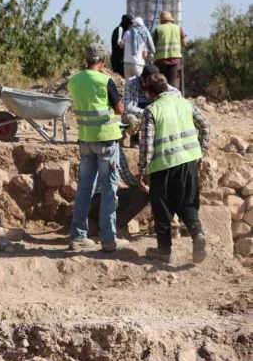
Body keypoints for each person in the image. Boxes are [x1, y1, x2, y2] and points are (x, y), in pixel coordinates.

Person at [137, 74, 211, 264]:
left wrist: (143, 170)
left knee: (162, 208)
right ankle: (197, 235)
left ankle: (164, 252)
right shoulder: (185, 104)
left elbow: (147, 145)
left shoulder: (151, 110)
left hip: (163, 167)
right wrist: (200, 152)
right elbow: (206, 126)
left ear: (150, 92)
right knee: (188, 204)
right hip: (188, 163)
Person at [67, 43, 128, 252]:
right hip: (106, 140)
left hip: (85, 139)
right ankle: (109, 239)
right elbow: (119, 109)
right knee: (110, 188)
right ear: (103, 61)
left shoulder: (74, 81)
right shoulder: (105, 80)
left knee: (84, 188)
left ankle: (77, 237)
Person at [121, 65, 181, 147]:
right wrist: (149, 113)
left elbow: (177, 93)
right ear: (141, 77)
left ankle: (158, 139)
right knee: (130, 118)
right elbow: (127, 107)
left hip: (154, 118)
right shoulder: (131, 83)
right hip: (140, 117)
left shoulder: (158, 82)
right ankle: (134, 138)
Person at [151, 11, 187, 87]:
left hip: (161, 60)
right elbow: (184, 44)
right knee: (172, 83)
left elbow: (153, 44)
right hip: (175, 59)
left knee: (162, 82)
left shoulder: (158, 29)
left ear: (161, 20)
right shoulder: (178, 28)